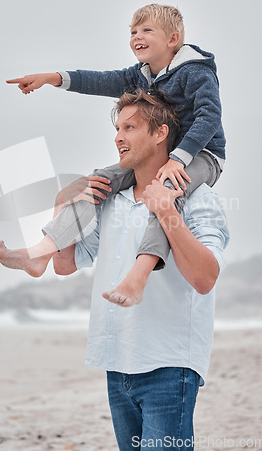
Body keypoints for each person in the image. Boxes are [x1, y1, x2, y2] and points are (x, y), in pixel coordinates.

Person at [0, 3, 226, 307]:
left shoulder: (195, 71)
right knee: (97, 182)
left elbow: (209, 117)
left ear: (173, 39)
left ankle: (139, 274)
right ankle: (42, 252)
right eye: (133, 31)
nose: (136, 36)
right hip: (163, 156)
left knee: (166, 191)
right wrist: (52, 77)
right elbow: (100, 80)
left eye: (146, 30)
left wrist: (178, 159)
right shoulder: (141, 75)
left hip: (203, 155)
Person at [51, 91, 229, 450]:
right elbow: (65, 264)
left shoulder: (199, 198)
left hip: (169, 364)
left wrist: (167, 212)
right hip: (117, 363)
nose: (118, 136)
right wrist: (61, 206)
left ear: (161, 133)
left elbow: (206, 278)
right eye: (117, 128)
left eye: (130, 127)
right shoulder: (112, 201)